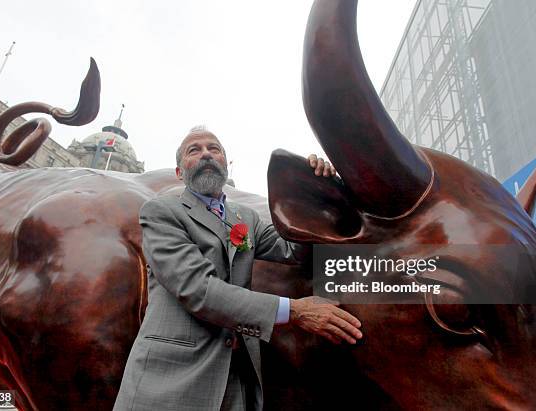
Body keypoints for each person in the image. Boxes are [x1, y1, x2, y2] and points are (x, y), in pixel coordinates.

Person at [114, 127, 363, 411]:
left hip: (237, 379)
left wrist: (318, 193)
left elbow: (294, 250)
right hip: (171, 379)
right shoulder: (162, 211)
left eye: (214, 148)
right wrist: (295, 311)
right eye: (194, 150)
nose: (206, 153)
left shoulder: (245, 218)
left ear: (224, 163)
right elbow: (198, 290)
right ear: (180, 172)